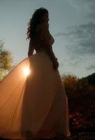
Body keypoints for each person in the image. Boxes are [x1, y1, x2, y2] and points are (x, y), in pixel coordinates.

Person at [0, 7, 70, 139]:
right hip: (46, 61)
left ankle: (33, 129)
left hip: (36, 63)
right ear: (42, 16)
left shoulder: (33, 32)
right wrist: (53, 59)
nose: (48, 18)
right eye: (46, 15)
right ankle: (51, 130)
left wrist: (33, 65)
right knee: (56, 93)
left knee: (38, 95)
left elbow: (29, 52)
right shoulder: (44, 26)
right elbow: (47, 44)